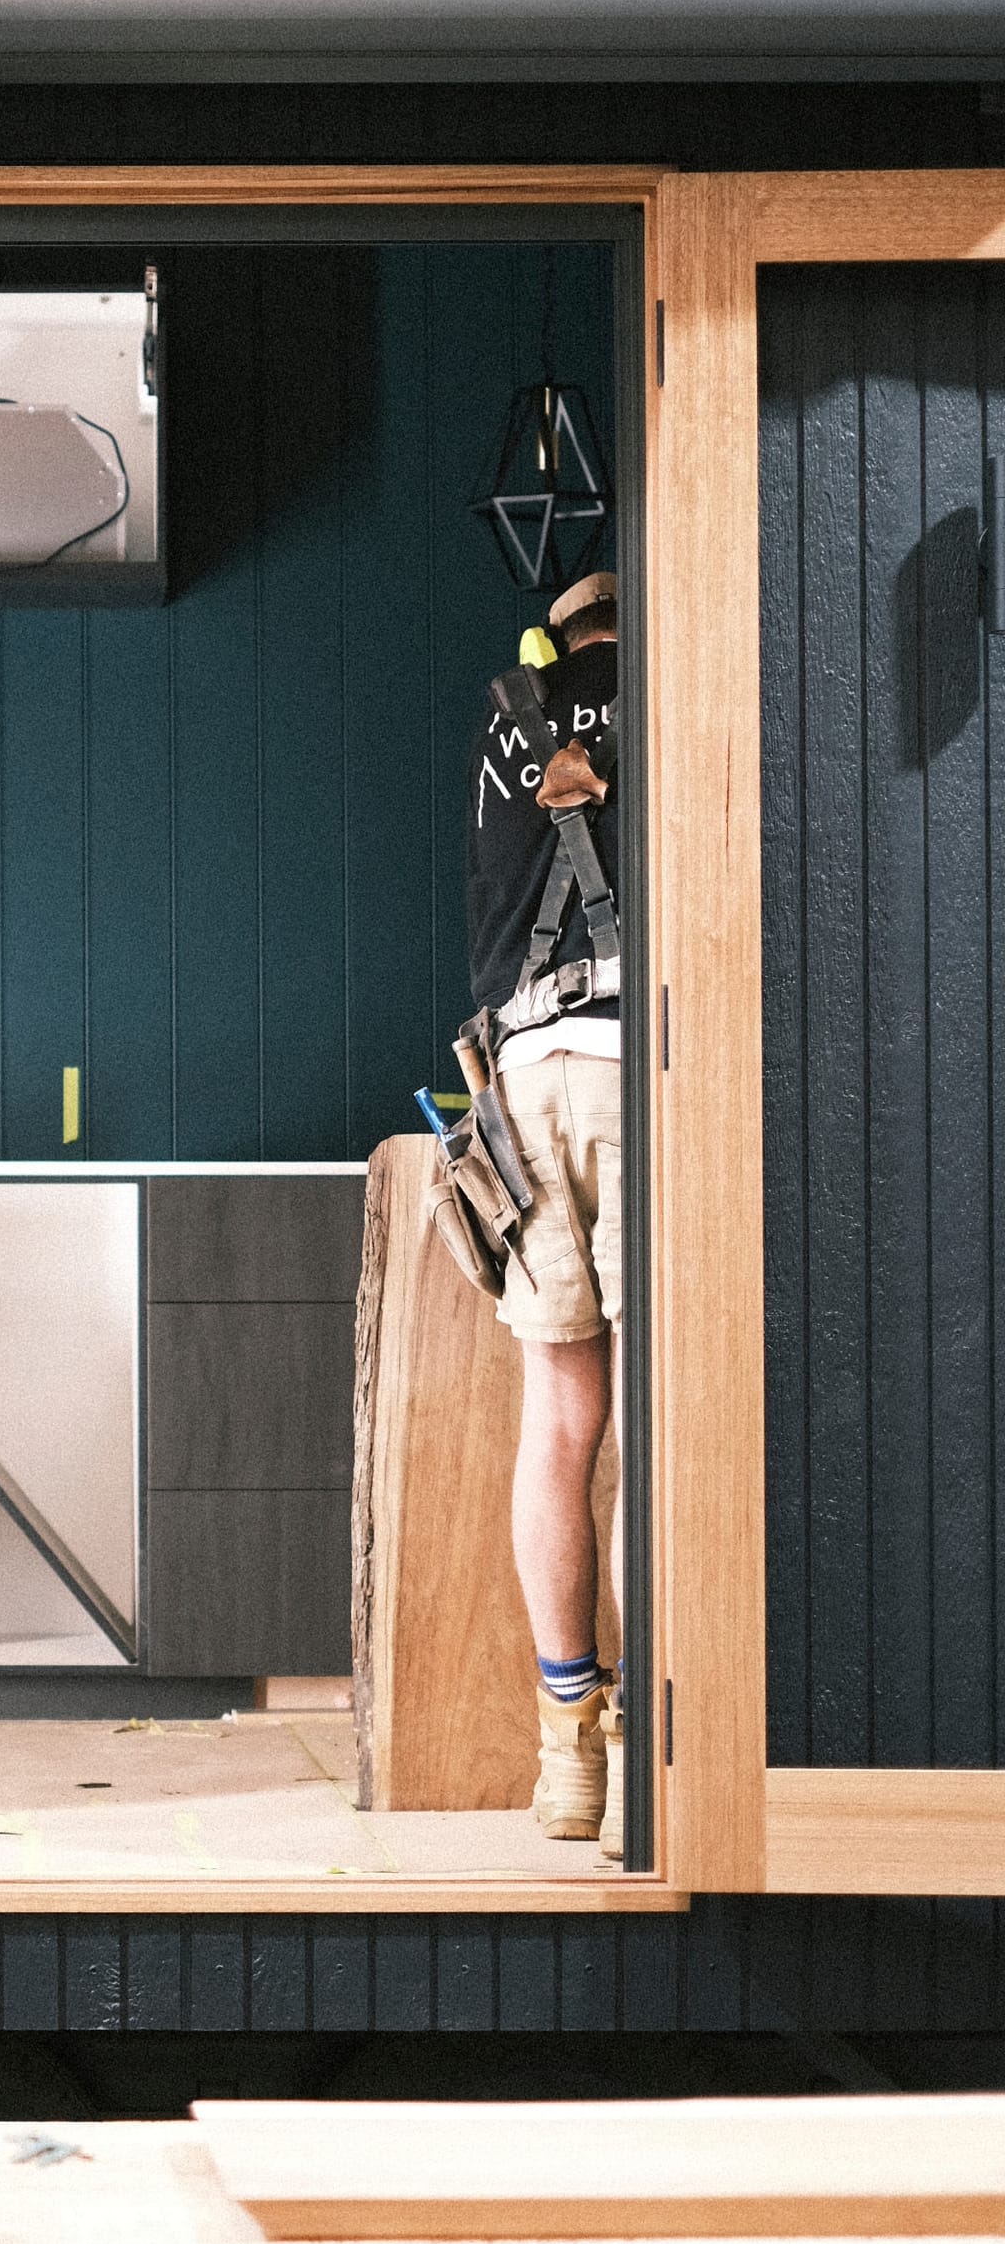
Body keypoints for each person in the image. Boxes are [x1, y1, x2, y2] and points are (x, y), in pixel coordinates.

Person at [464, 569, 622, 1857]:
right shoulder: (665, 691)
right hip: (636, 1065)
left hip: (519, 1085)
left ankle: (569, 1753)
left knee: (560, 1421)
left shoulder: (504, 727)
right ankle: (669, 1744)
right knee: (661, 1416)